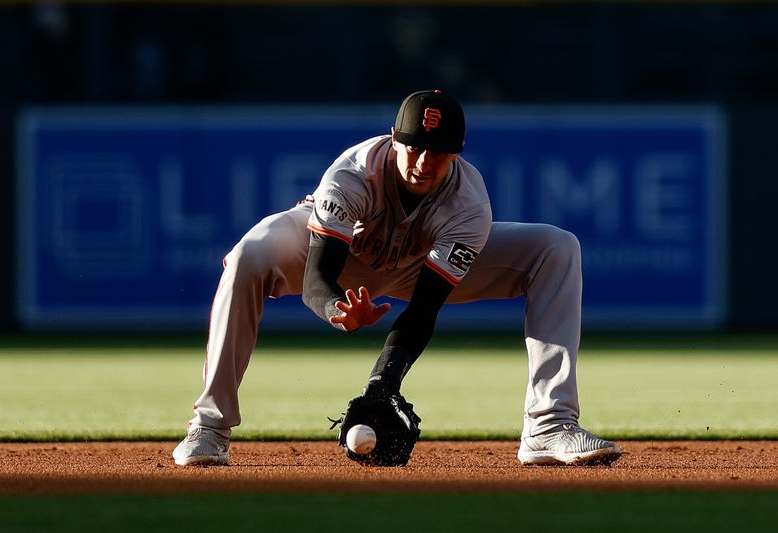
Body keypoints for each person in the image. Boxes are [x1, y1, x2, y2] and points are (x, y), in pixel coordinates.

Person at [172, 89, 622, 467]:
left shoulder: (469, 203)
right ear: (393, 139)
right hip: (334, 251)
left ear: (457, 154)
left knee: (556, 247)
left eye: (439, 151)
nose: (424, 161)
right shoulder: (352, 175)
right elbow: (317, 275)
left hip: (415, 264)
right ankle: (209, 426)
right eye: (414, 146)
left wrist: (382, 384)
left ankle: (549, 424)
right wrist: (335, 307)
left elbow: (425, 308)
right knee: (248, 255)